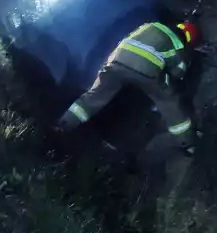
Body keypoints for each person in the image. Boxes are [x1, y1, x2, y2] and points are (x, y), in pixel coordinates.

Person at [57, 19, 200, 161]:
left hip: (114, 63)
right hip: (144, 69)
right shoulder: (177, 44)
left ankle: (64, 124)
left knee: (93, 96)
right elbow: (177, 73)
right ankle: (187, 143)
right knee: (168, 102)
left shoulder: (151, 26)